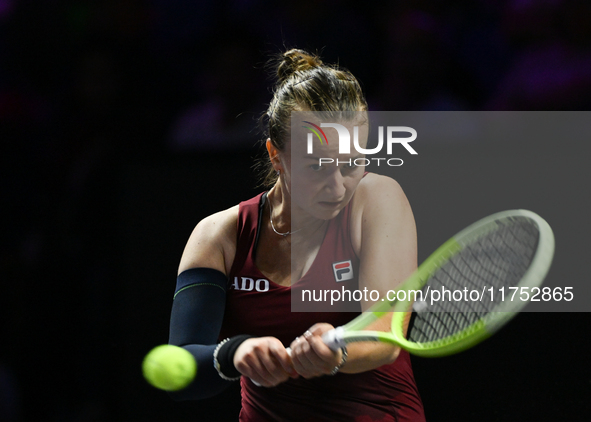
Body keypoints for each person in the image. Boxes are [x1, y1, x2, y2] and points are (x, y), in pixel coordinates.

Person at [168, 49, 426, 422]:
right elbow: (182, 369)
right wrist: (234, 354)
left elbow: (384, 333)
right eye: (317, 165)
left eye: (352, 164)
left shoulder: (378, 198)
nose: (337, 187)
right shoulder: (219, 236)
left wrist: (336, 352)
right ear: (276, 155)